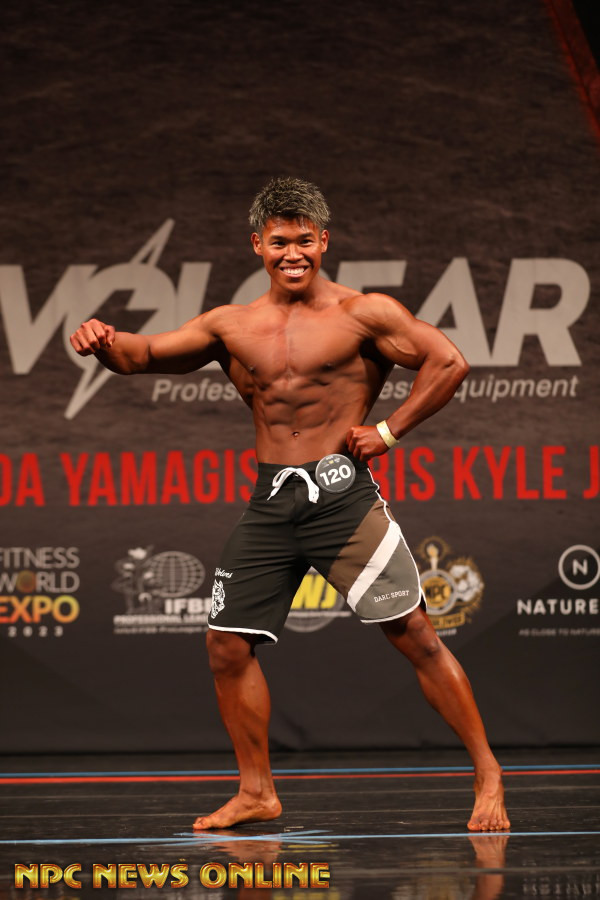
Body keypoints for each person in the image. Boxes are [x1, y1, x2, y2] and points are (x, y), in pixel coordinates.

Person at [70, 177, 510, 833]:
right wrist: (104, 341)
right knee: (226, 646)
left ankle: (487, 772)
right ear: (258, 245)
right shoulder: (230, 324)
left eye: (305, 239)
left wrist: (389, 432)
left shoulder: (364, 313)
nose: (293, 253)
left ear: (324, 240)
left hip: (342, 498)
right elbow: (144, 355)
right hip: (272, 502)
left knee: (415, 634)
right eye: (280, 241)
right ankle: (256, 792)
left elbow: (447, 362)